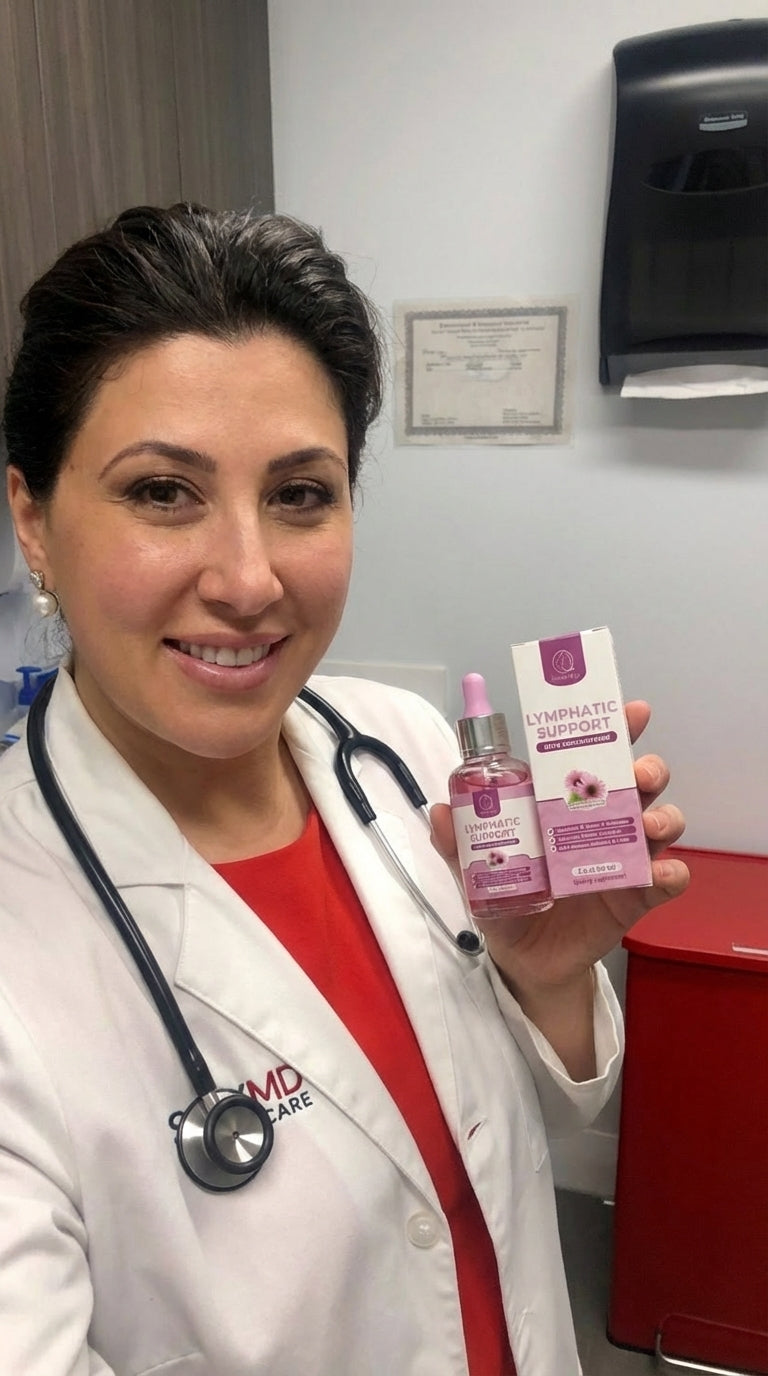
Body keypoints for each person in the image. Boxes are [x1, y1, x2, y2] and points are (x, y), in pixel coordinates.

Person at [0, 203, 688, 1376]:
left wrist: (548, 980)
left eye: (301, 493)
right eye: (162, 491)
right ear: (34, 522)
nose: (249, 578)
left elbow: (523, 1132)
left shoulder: (406, 750)